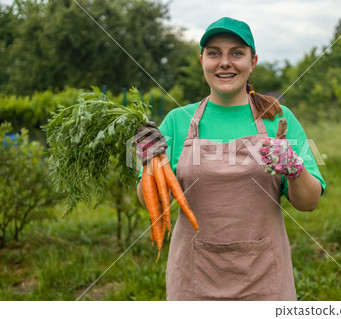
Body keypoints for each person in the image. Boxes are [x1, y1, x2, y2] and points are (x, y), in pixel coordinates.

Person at [136, 17, 326, 301]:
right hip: (193, 278)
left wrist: (293, 168)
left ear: (253, 61)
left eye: (237, 53)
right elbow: (152, 202)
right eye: (214, 53)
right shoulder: (177, 121)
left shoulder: (279, 119)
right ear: (202, 60)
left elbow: (309, 202)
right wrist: (150, 162)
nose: (225, 62)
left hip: (265, 280)